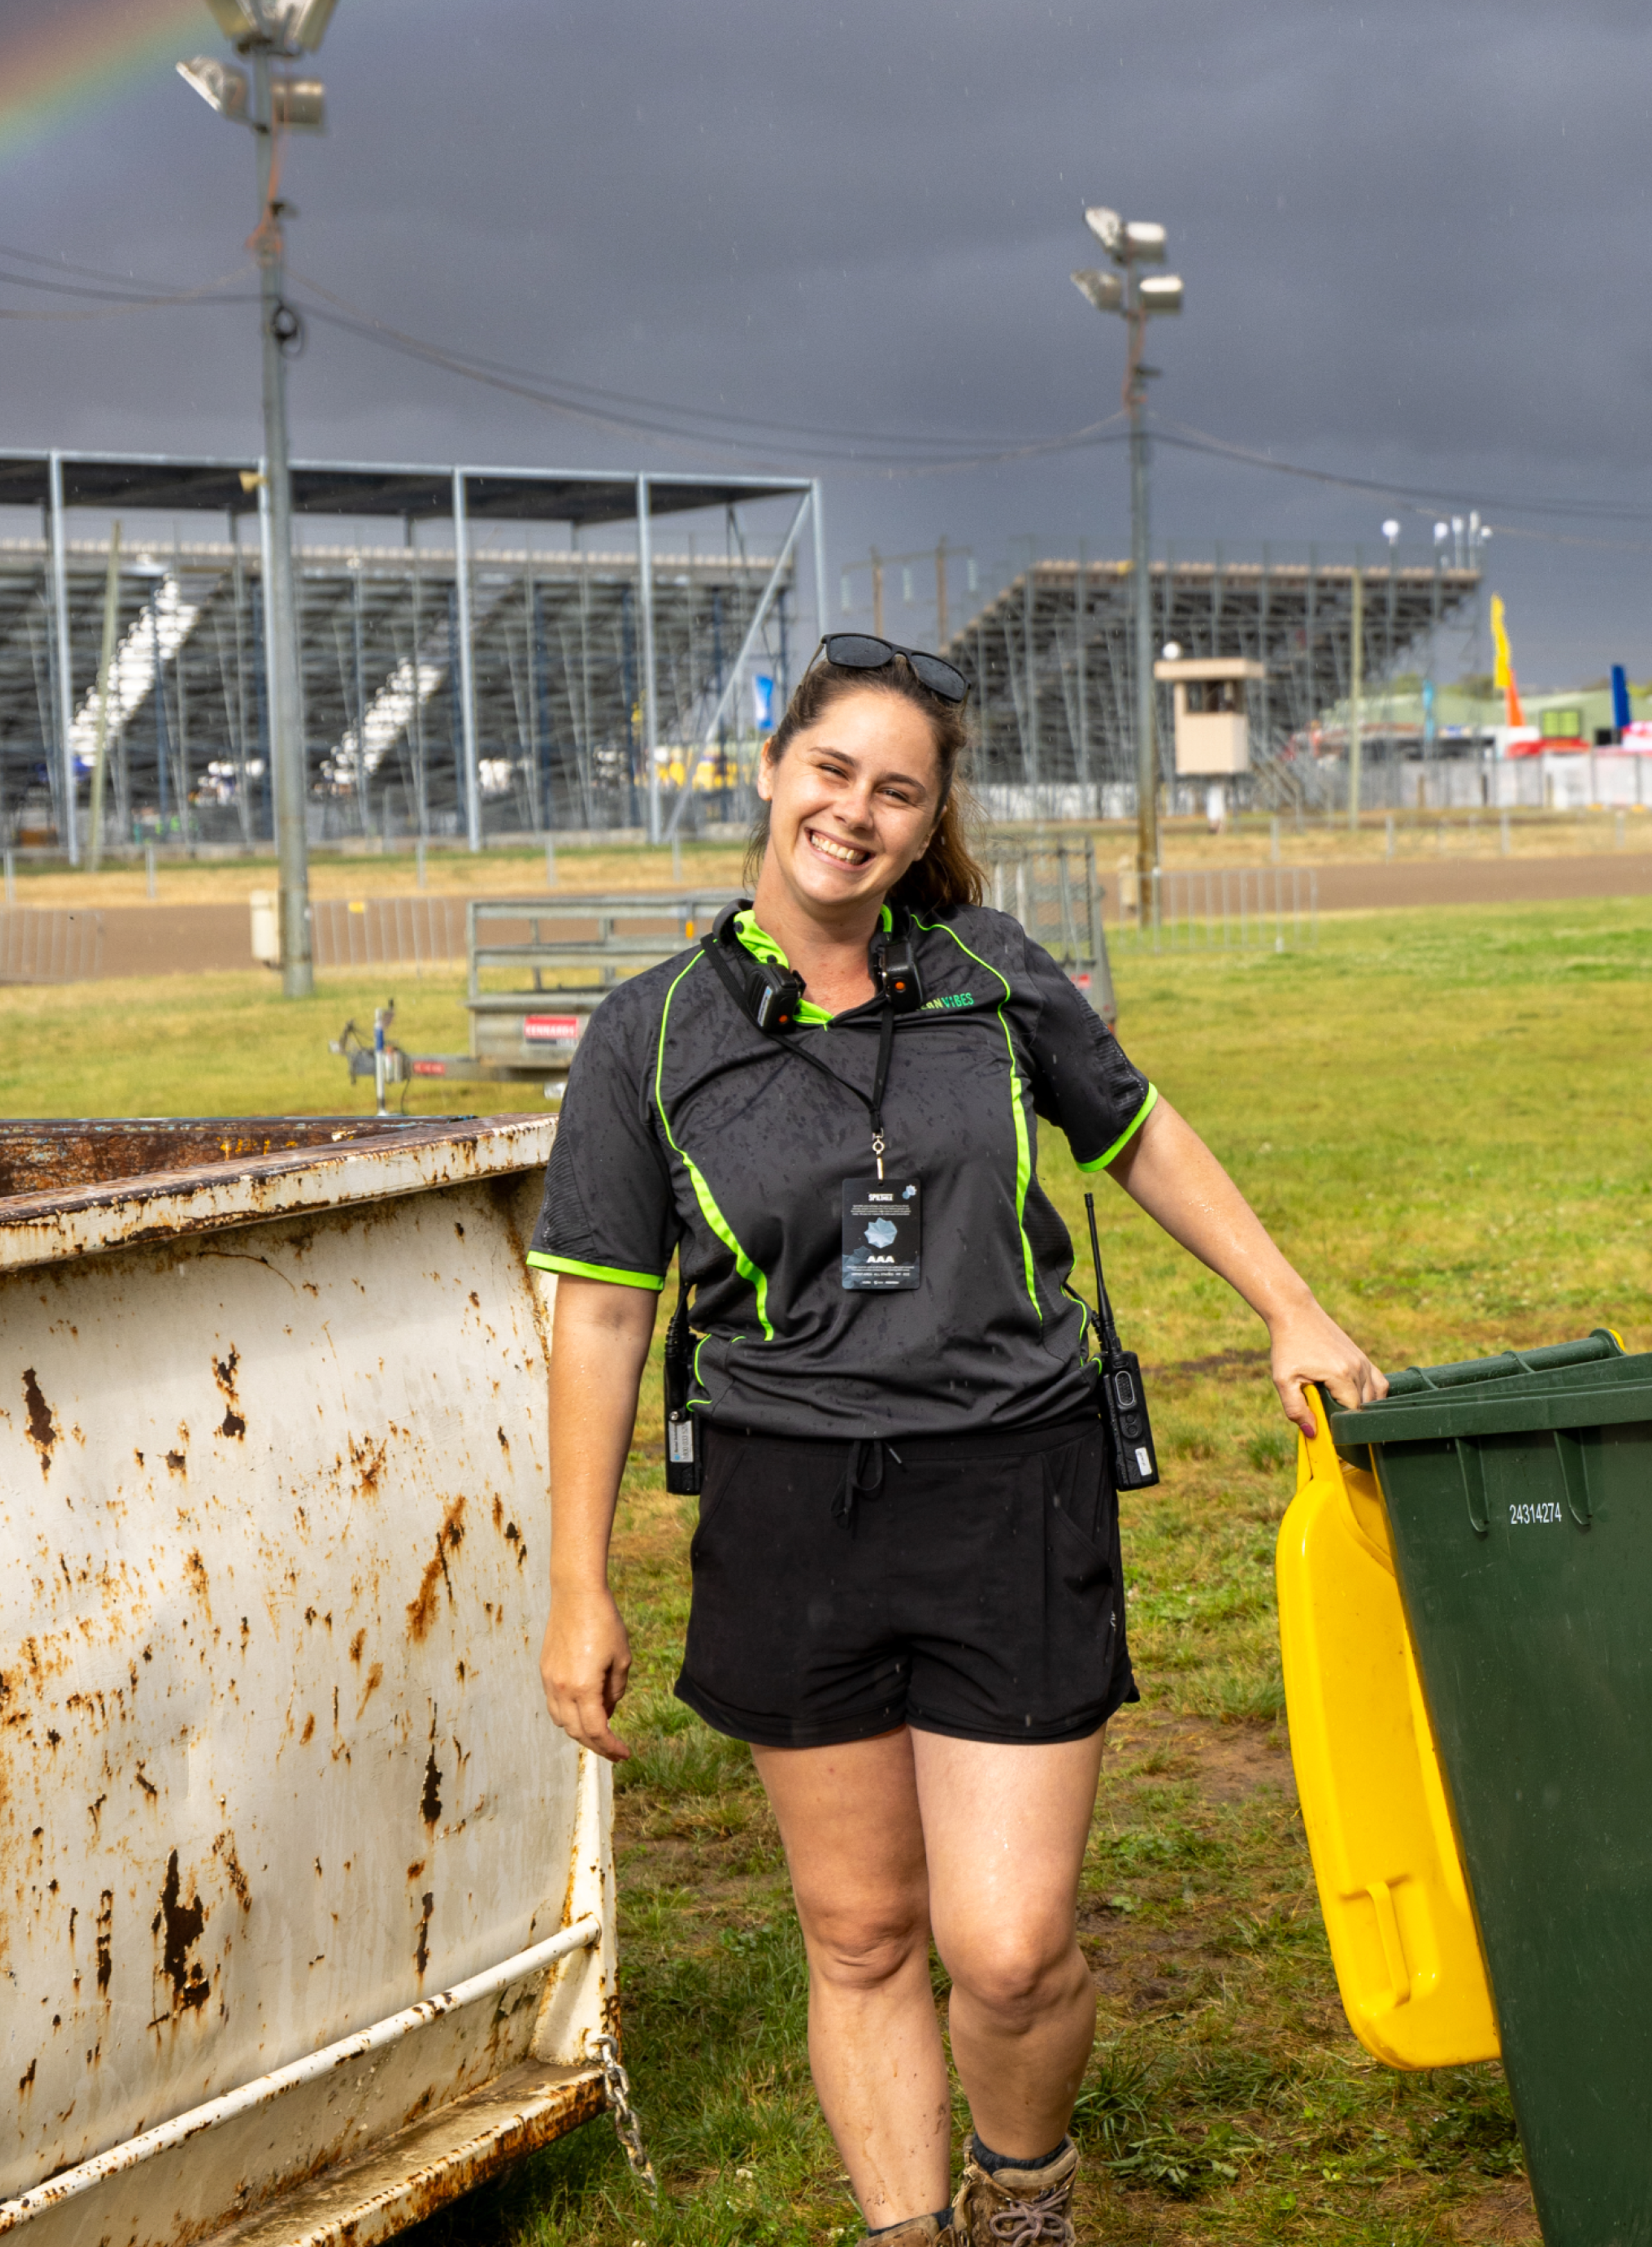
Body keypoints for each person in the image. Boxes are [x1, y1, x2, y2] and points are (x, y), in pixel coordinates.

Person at [533, 633, 1385, 2247]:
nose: (854, 813)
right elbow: (597, 1319)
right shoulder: (649, 1033)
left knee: (1006, 1948)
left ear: (929, 827)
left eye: (896, 792)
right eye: (833, 771)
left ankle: (1026, 2187)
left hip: (1013, 1484)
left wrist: (1293, 1305)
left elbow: (1140, 1134)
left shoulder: (992, 972)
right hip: (788, 1509)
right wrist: (580, 1583)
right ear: (773, 774)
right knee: (857, 1937)